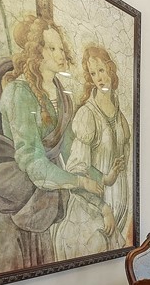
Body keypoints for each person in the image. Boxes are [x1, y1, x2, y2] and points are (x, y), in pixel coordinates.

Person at [0, 15, 102, 280]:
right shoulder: (18, 93)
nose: (60, 54)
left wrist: (100, 182)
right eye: (51, 48)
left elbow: (69, 153)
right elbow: (34, 163)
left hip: (46, 199)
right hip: (18, 200)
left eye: (60, 48)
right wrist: (81, 183)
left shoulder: (61, 95)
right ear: (36, 52)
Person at [54, 45, 133, 258]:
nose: (99, 77)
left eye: (101, 70)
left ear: (110, 70)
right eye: (93, 73)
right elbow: (77, 173)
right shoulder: (87, 116)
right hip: (89, 222)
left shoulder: (121, 118)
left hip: (114, 222)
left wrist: (110, 177)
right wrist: (103, 207)